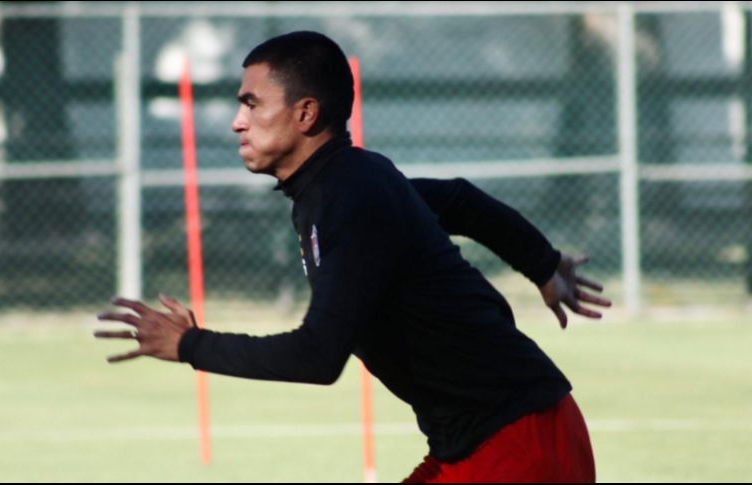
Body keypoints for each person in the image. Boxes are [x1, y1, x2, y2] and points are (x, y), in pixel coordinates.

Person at [95, 31, 611, 482]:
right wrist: (543, 266)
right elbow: (459, 200)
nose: (237, 122)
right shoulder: (342, 186)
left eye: (251, 104)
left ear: (305, 113)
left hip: (520, 442)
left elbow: (317, 357)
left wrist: (191, 345)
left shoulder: (352, 196)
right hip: (488, 439)